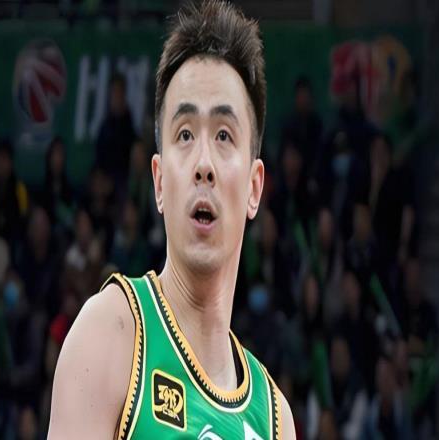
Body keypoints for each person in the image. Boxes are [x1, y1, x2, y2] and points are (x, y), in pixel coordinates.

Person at [48, 1, 296, 439]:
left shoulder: (276, 419)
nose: (203, 164)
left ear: (255, 187)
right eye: (184, 134)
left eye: (224, 135)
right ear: (159, 182)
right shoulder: (111, 335)